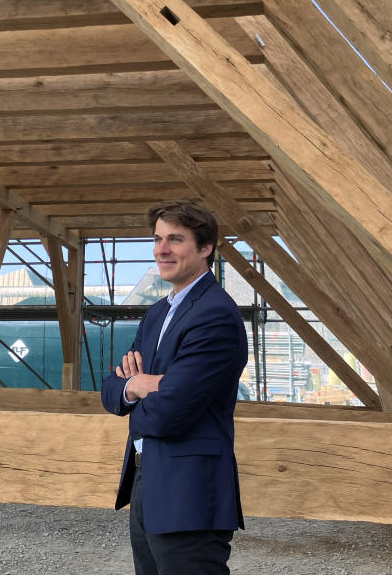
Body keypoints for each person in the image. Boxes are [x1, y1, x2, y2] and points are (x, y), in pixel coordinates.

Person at [101, 199, 248, 575]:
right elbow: (110, 391)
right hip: (145, 480)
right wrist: (138, 384)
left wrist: (146, 391)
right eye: (157, 239)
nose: (161, 250)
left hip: (189, 492)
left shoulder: (215, 314)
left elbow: (171, 412)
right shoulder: (157, 314)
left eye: (176, 239)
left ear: (205, 247)